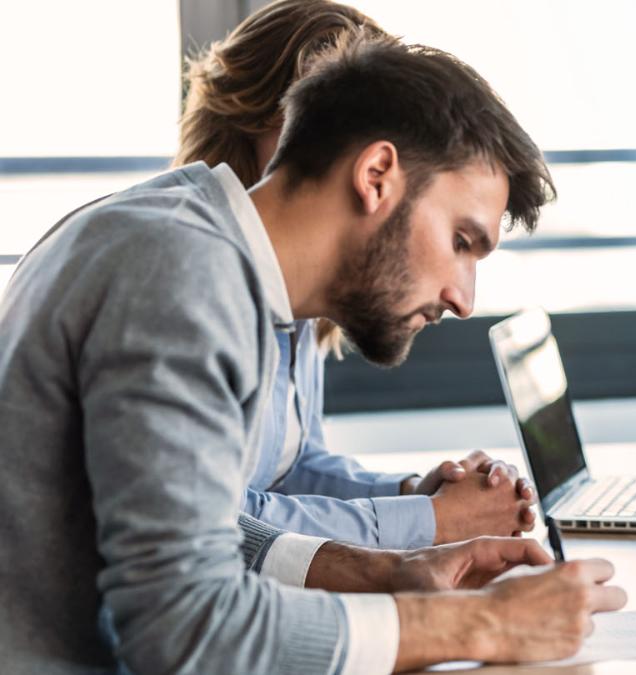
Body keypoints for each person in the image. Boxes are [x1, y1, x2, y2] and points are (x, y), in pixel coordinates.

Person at [0, 34, 626, 673]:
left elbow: (214, 530)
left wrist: (395, 573)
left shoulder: (194, 244)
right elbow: (187, 629)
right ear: (376, 175)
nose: (463, 299)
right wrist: (483, 623)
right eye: (462, 241)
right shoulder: (183, 276)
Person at [176, 0, 537, 551]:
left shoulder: (297, 298)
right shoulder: (192, 281)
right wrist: (429, 524)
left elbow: (290, 468)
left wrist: (415, 495)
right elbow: (222, 524)